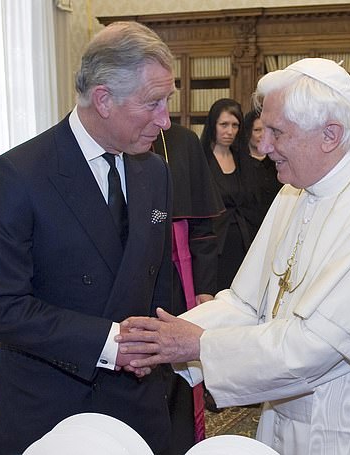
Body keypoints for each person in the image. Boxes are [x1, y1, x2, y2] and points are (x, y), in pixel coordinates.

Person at [117, 58, 350, 454]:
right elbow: (248, 301)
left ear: (329, 135)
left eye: (277, 133)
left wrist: (196, 346)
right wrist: (163, 337)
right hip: (287, 413)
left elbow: (317, 346)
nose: (263, 148)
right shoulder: (296, 187)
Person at [0, 21, 176, 455]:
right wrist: (108, 345)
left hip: (138, 408)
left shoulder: (154, 171)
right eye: (153, 103)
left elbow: (157, 279)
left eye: (167, 102)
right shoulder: (18, 175)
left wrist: (164, 342)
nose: (166, 120)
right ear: (103, 99)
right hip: (50, 409)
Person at [151, 122, 224, 453]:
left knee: (177, 367)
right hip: (128, 276)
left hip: (179, 273)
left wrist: (205, 287)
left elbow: (203, 227)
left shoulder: (183, 141)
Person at [200, 98, 260, 291]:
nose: (230, 131)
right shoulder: (201, 160)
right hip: (213, 247)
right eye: (224, 124)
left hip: (243, 243)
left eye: (235, 125)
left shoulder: (244, 161)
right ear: (212, 125)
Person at [243, 109, 282, 224]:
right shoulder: (240, 164)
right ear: (248, 132)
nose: (262, 135)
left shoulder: (278, 162)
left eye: (266, 130)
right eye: (257, 130)